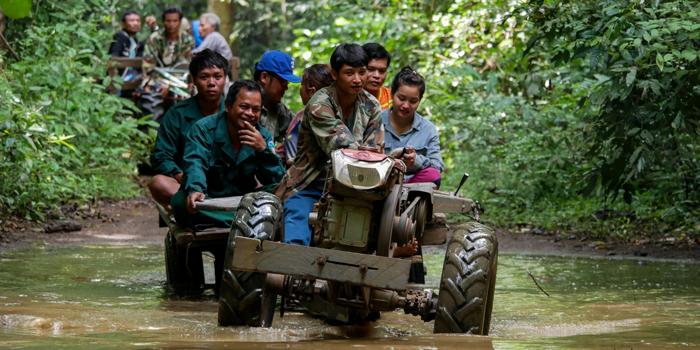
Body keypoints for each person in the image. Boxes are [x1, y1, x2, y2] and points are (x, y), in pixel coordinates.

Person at [276, 43, 384, 246]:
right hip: (310, 184)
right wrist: (367, 154)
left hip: (356, 185)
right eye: (350, 73)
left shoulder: (371, 105)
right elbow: (342, 147)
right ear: (335, 74)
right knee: (296, 239)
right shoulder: (319, 103)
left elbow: (375, 152)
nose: (358, 79)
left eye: (362, 72)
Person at [171, 80, 285, 228]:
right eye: (244, 107)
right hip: (209, 199)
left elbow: (276, 179)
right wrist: (196, 190)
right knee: (180, 202)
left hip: (243, 200)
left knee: (280, 191)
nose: (250, 114)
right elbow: (195, 163)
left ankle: (236, 219)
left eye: (256, 109)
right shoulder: (203, 129)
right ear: (228, 106)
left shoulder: (262, 136)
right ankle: (246, 221)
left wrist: (263, 150)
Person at [148, 49, 228, 208]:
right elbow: (161, 155)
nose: (211, 82)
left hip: (228, 184)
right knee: (158, 183)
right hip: (186, 183)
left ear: (225, 79)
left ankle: (205, 208)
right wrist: (183, 176)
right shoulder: (177, 114)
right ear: (194, 81)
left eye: (217, 76)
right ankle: (197, 204)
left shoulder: (235, 112)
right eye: (204, 77)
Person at [382, 67, 444, 187]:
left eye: (413, 101)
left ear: (420, 101)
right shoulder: (376, 120)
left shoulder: (428, 129)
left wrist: (415, 161)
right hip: (378, 181)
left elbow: (437, 167)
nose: (406, 105)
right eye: (401, 98)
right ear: (392, 94)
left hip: (410, 187)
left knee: (433, 175)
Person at [283, 64, 334, 166]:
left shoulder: (314, 117)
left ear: (312, 91)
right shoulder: (300, 115)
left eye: (302, 84)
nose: (300, 89)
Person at [253, 50, 300, 149]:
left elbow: (298, 126)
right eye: (283, 82)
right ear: (264, 77)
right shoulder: (243, 104)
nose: (286, 88)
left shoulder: (277, 108)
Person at [362, 42, 392, 110]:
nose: (377, 76)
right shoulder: (348, 99)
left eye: (382, 71)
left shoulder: (394, 99)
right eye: (370, 69)